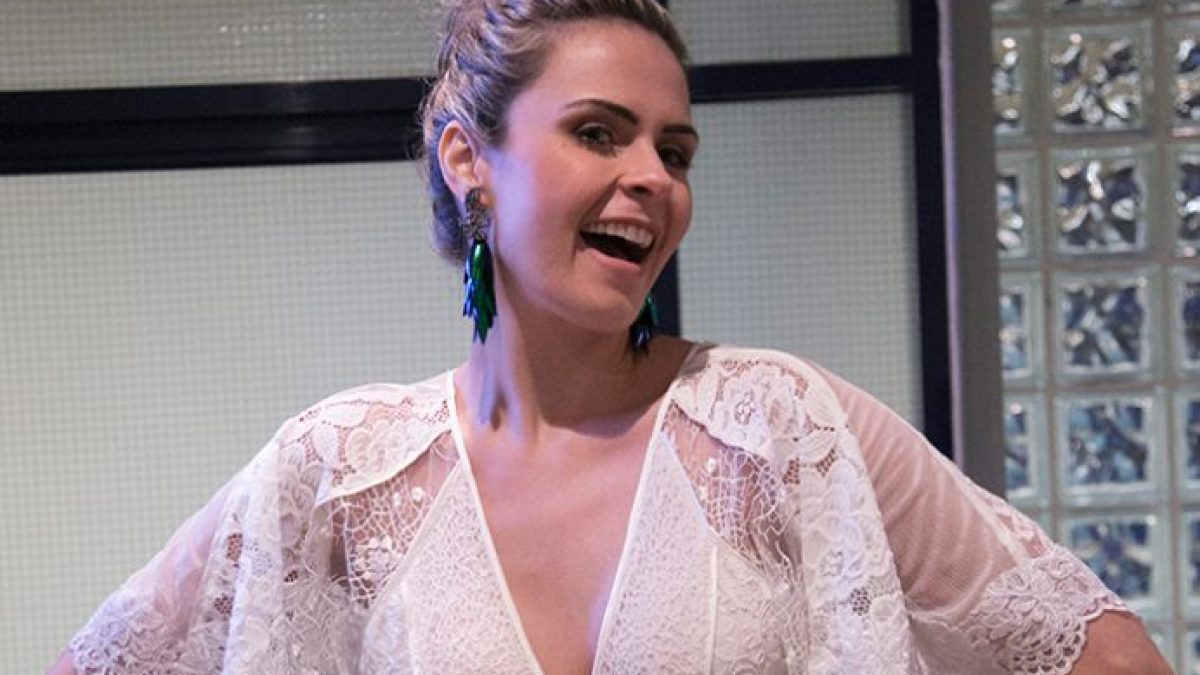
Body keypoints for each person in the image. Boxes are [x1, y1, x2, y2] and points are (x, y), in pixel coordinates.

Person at [52, 1, 1172, 673]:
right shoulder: (339, 469)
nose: (652, 178)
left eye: (673, 152)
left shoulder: (783, 426)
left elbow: (1103, 655)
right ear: (469, 161)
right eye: (599, 133)